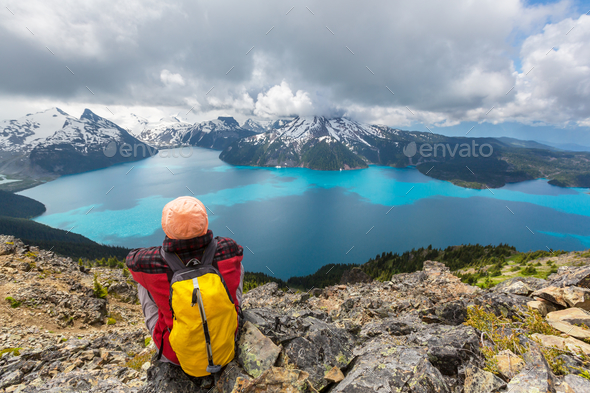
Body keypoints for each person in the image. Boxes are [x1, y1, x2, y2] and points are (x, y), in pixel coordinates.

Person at [126, 196, 245, 365]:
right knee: (239, 266)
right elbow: (239, 254)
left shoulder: (149, 262)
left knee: (142, 282)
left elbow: (130, 259)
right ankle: (233, 311)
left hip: (177, 356)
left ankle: (168, 325)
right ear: (205, 222)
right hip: (227, 343)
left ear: (166, 228)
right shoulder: (228, 248)